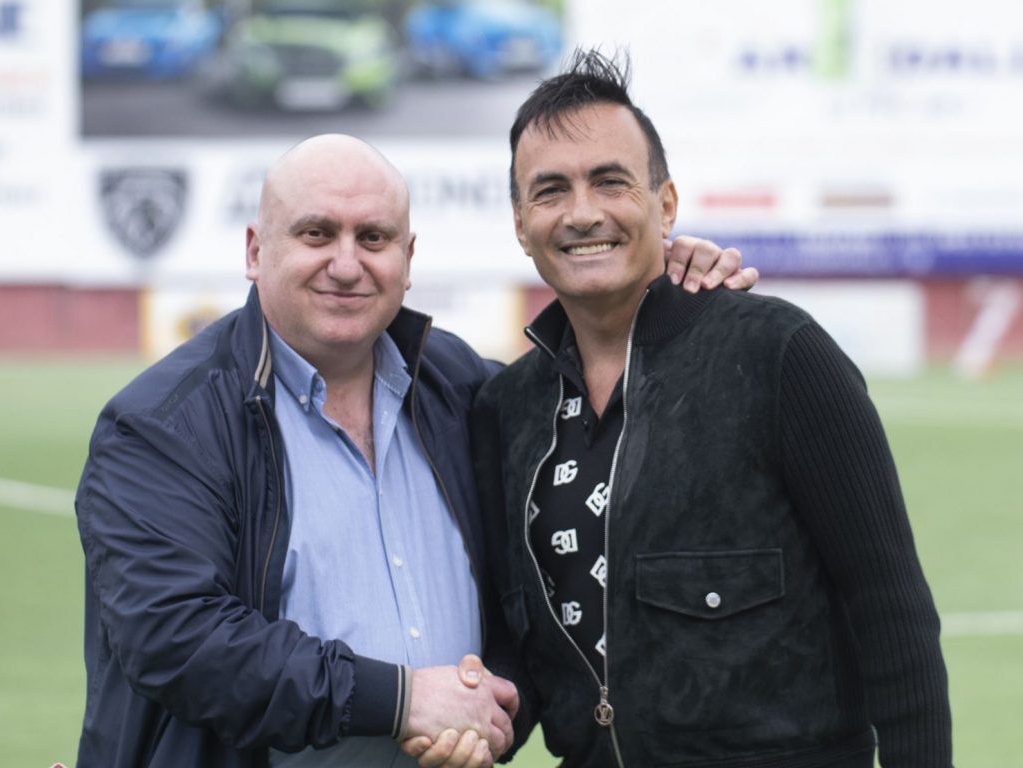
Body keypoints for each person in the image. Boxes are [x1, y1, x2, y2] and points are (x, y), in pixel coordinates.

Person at [74, 133, 756, 768]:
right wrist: (400, 700)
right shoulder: (160, 426)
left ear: (407, 259)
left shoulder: (466, 390)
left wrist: (659, 290)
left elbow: (544, 570)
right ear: (255, 251)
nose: (347, 264)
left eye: (373, 237)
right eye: (316, 234)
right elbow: (177, 638)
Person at [457, 50, 952, 767]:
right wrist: (484, 716)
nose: (583, 213)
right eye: (551, 190)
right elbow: (529, 653)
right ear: (519, 221)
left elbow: (893, 612)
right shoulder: (506, 409)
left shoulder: (779, 355)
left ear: (665, 205)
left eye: (610, 181)